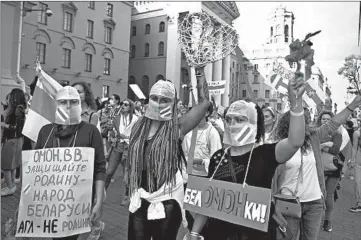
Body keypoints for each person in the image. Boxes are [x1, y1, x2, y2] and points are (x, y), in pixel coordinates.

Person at [190, 72, 306, 240]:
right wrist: (194, 232)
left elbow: (295, 141)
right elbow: (208, 200)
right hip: (219, 234)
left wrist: (296, 102)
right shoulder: (218, 157)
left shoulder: (266, 154)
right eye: (229, 119)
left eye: (239, 119)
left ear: (254, 123)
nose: (232, 125)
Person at [126, 67, 210, 240]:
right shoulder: (137, 127)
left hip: (168, 200)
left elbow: (203, 104)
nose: (158, 103)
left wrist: (200, 71)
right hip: (140, 197)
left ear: (172, 103)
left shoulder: (177, 129)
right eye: (154, 98)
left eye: (165, 100)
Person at [273, 96, 361, 240]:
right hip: (288, 203)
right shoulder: (279, 145)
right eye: (301, 122)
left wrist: (353, 104)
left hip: (314, 202)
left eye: (306, 122)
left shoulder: (313, 138)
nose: (307, 124)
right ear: (289, 125)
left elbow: (334, 123)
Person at [34, 86, 106, 240]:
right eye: (63, 102)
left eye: (73, 101)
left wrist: (99, 201)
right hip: (52, 199)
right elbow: (36, 167)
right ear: (57, 104)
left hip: (80, 200)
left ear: (79, 104)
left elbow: (100, 168)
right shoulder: (46, 132)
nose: (68, 106)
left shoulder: (91, 131)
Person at [106, 98, 138, 206]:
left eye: (126, 104)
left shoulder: (135, 119)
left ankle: (127, 196)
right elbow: (112, 132)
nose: (123, 106)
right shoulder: (117, 118)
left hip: (128, 148)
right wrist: (113, 137)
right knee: (109, 172)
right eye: (122, 104)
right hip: (117, 146)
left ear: (130, 107)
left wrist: (128, 137)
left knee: (126, 176)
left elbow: (138, 134)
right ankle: (102, 194)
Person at [316, 111, 342, 232]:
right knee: (319, 194)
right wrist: (326, 144)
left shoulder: (337, 133)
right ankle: (315, 219)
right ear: (319, 120)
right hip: (318, 167)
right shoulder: (316, 132)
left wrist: (320, 146)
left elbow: (335, 150)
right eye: (323, 119)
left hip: (333, 169)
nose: (325, 121)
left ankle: (327, 221)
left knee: (329, 195)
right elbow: (312, 147)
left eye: (328, 119)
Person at [1, 89, 26, 197]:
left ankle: (10, 188)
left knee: (6, 166)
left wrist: (3, 124)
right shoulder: (20, 108)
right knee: (13, 165)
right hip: (17, 140)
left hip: (12, 140)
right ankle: (11, 185)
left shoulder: (18, 109)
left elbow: (15, 127)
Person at [349, 126, 361, 212]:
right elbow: (354, 148)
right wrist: (352, 160)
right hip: (359, 159)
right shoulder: (357, 133)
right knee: (358, 182)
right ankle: (360, 203)